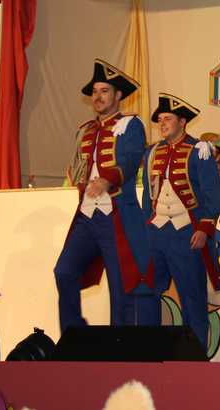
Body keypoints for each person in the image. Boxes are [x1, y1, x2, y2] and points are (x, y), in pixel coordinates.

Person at [53, 60, 157, 334]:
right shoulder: (85, 130)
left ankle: (119, 345)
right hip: (87, 216)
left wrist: (107, 179)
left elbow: (131, 158)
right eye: (95, 92)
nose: (98, 97)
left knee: (120, 285)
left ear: (118, 95)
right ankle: (74, 335)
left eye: (104, 91)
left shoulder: (130, 125)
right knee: (64, 271)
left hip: (116, 215)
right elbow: (78, 166)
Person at [141, 93, 220, 349]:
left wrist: (204, 228)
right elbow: (147, 196)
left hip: (186, 233)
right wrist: (144, 230)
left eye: (168, 118)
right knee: (146, 294)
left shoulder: (199, 150)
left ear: (182, 121)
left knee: (192, 298)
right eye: (160, 120)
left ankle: (195, 356)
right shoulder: (152, 152)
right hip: (155, 233)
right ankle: (149, 351)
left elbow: (212, 195)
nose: (162, 123)